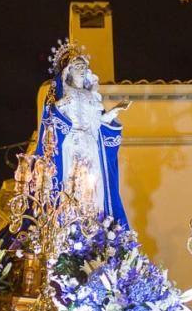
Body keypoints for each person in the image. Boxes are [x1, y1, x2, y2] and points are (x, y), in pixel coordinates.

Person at [38, 40, 131, 226]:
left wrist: (112, 114)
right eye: (77, 66)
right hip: (71, 146)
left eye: (84, 66)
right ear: (68, 71)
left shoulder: (92, 96)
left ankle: (93, 223)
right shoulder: (65, 93)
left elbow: (97, 123)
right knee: (71, 182)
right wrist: (58, 105)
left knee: (94, 186)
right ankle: (67, 222)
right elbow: (50, 121)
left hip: (91, 146)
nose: (82, 69)